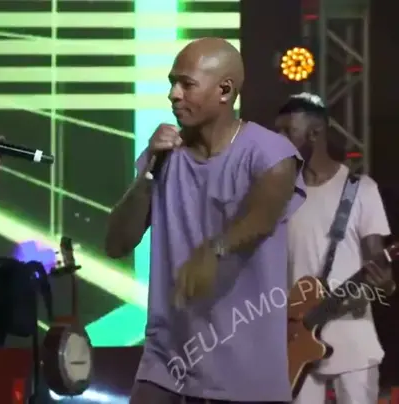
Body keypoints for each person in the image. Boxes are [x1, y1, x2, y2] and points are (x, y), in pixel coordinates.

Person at [105, 37, 306, 403]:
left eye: (186, 84)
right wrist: (149, 171)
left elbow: (262, 216)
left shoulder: (271, 153)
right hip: (167, 360)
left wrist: (215, 250)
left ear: (224, 90)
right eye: (172, 83)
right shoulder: (164, 156)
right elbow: (116, 243)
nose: (173, 95)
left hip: (245, 373)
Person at [276, 93, 395, 404]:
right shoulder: (282, 196)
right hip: (295, 344)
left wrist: (386, 283)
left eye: (288, 131)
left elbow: (378, 264)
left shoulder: (361, 189)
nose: (279, 139)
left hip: (353, 342)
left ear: (315, 133)